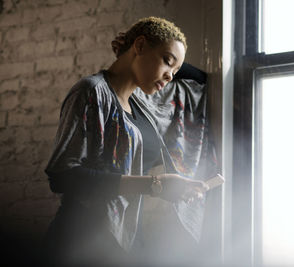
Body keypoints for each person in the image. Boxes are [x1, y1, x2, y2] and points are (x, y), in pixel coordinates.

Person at [42, 17, 209, 267]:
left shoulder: (141, 104)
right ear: (140, 46)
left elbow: (199, 78)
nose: (170, 77)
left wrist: (170, 190)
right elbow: (62, 176)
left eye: (174, 72)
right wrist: (154, 185)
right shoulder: (92, 91)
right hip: (80, 240)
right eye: (167, 62)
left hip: (124, 242)